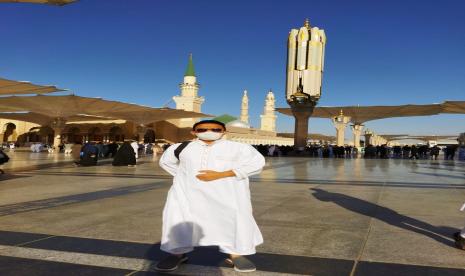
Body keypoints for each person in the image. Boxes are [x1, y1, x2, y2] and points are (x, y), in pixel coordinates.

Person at [156, 120, 265, 273]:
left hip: (228, 194)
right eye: (203, 129)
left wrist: (222, 175)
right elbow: (166, 163)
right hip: (186, 194)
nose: (209, 131)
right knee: (179, 219)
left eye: (215, 129)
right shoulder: (181, 148)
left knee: (232, 220)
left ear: (224, 131)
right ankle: (177, 253)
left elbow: (257, 163)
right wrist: (187, 177)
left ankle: (235, 254)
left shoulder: (238, 148)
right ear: (193, 132)